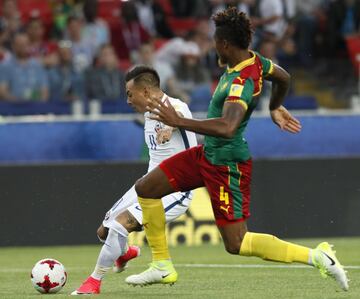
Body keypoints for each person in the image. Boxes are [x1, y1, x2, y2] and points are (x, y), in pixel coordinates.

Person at [124, 8, 349, 292]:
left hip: (227, 164)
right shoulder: (255, 61)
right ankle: (161, 266)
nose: (214, 46)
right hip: (207, 154)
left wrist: (179, 121)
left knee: (237, 243)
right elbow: (284, 77)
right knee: (146, 188)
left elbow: (229, 126)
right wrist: (274, 105)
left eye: (216, 41)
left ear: (226, 45)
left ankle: (317, 257)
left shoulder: (240, 82)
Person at [71, 65, 197, 295]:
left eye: (130, 94)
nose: (128, 101)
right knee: (104, 231)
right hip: (151, 184)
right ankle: (126, 252)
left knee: (119, 225)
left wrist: (169, 127)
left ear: (147, 92)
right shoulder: (148, 113)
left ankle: (94, 282)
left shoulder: (176, 106)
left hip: (178, 189)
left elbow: (178, 116)